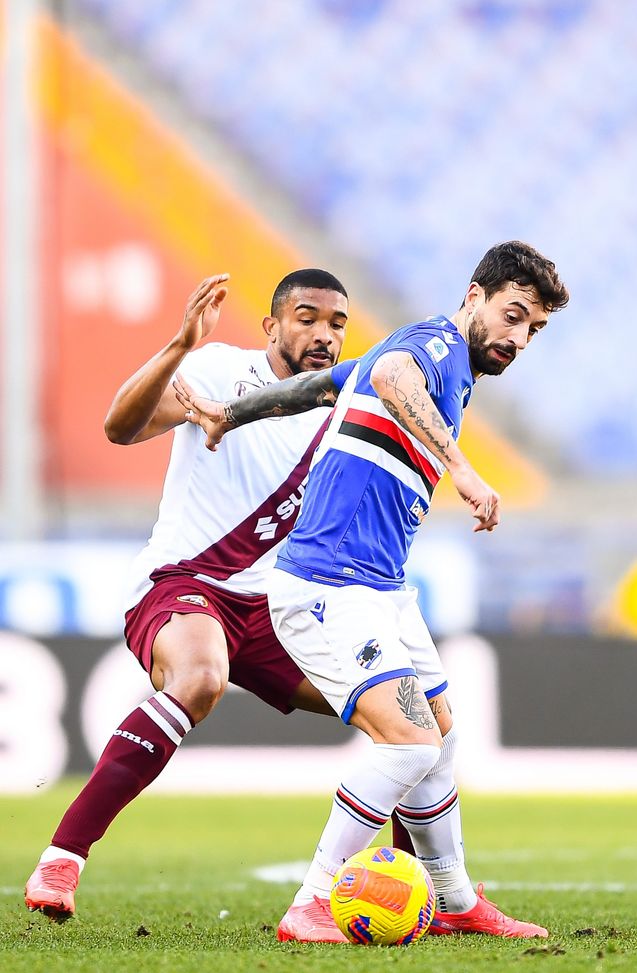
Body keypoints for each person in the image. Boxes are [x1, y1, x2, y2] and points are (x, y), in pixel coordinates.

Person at [175, 241, 569, 943]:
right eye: (511, 315)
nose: (517, 337)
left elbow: (322, 387)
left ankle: (450, 898)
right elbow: (387, 372)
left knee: (440, 735)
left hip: (381, 587)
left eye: (532, 328)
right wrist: (461, 469)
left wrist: (229, 415)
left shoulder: (450, 366)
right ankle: (313, 900)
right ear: (473, 295)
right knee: (411, 743)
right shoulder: (431, 345)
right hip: (328, 583)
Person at [24, 267, 354, 920]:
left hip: (265, 607)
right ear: (272, 325)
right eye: (307, 316)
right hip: (181, 585)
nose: (322, 334)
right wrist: (178, 344)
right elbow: (121, 428)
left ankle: (437, 885)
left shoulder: (339, 411)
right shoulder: (219, 371)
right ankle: (63, 857)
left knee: (402, 714)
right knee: (201, 676)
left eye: (336, 323)